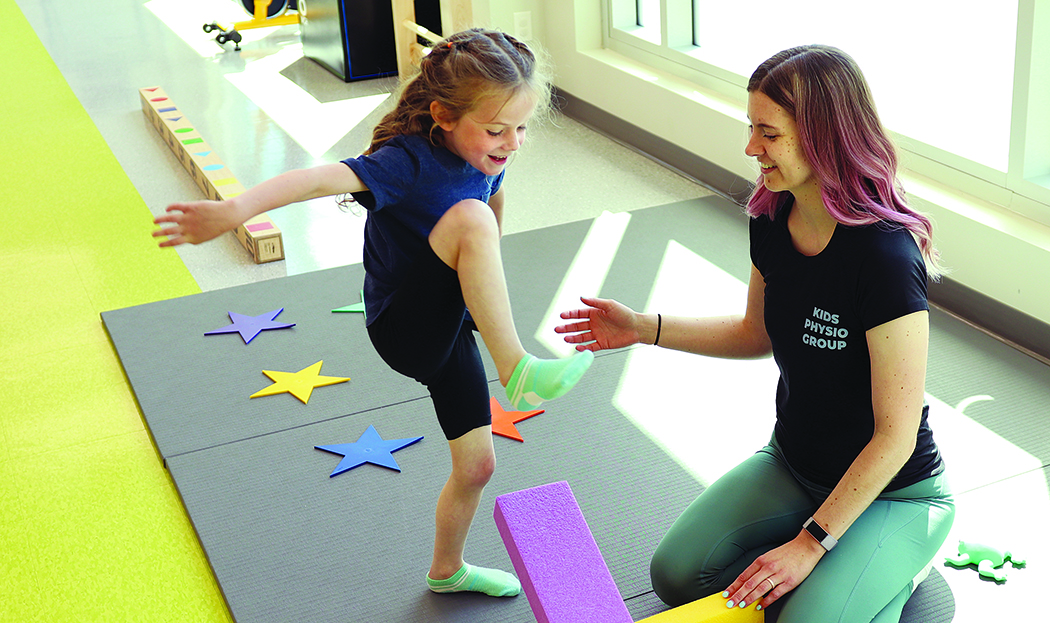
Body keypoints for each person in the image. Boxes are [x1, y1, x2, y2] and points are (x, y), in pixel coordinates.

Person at [153, 28, 593, 598]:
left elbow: (494, 200)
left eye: (522, 128)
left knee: (478, 466)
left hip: (448, 324)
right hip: (403, 327)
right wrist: (234, 210)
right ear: (443, 116)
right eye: (496, 130)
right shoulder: (405, 161)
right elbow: (314, 179)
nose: (512, 142)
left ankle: (447, 571)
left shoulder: (486, 155)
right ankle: (517, 368)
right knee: (471, 218)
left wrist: (483, 279)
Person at [556, 45, 954, 622]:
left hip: (895, 491)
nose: (750, 148)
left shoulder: (885, 258)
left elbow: (895, 437)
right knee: (675, 574)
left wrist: (809, 544)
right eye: (751, 128)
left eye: (768, 134)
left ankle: (900, 560)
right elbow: (754, 333)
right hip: (794, 465)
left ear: (823, 136)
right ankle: (850, 567)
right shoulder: (770, 218)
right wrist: (643, 328)